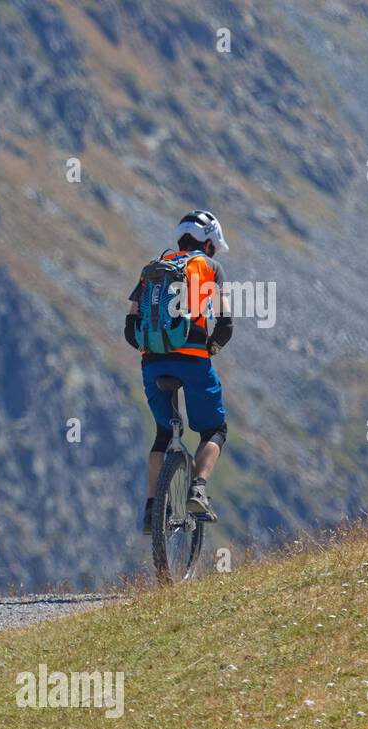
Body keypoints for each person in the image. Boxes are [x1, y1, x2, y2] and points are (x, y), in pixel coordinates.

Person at [126, 210, 234, 533]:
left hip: (152, 364)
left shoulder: (154, 268)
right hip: (193, 362)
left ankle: (151, 510)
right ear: (209, 243)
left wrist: (154, 350)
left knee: (163, 432)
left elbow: (130, 327)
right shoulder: (211, 267)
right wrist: (209, 347)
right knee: (215, 430)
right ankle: (198, 490)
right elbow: (226, 326)